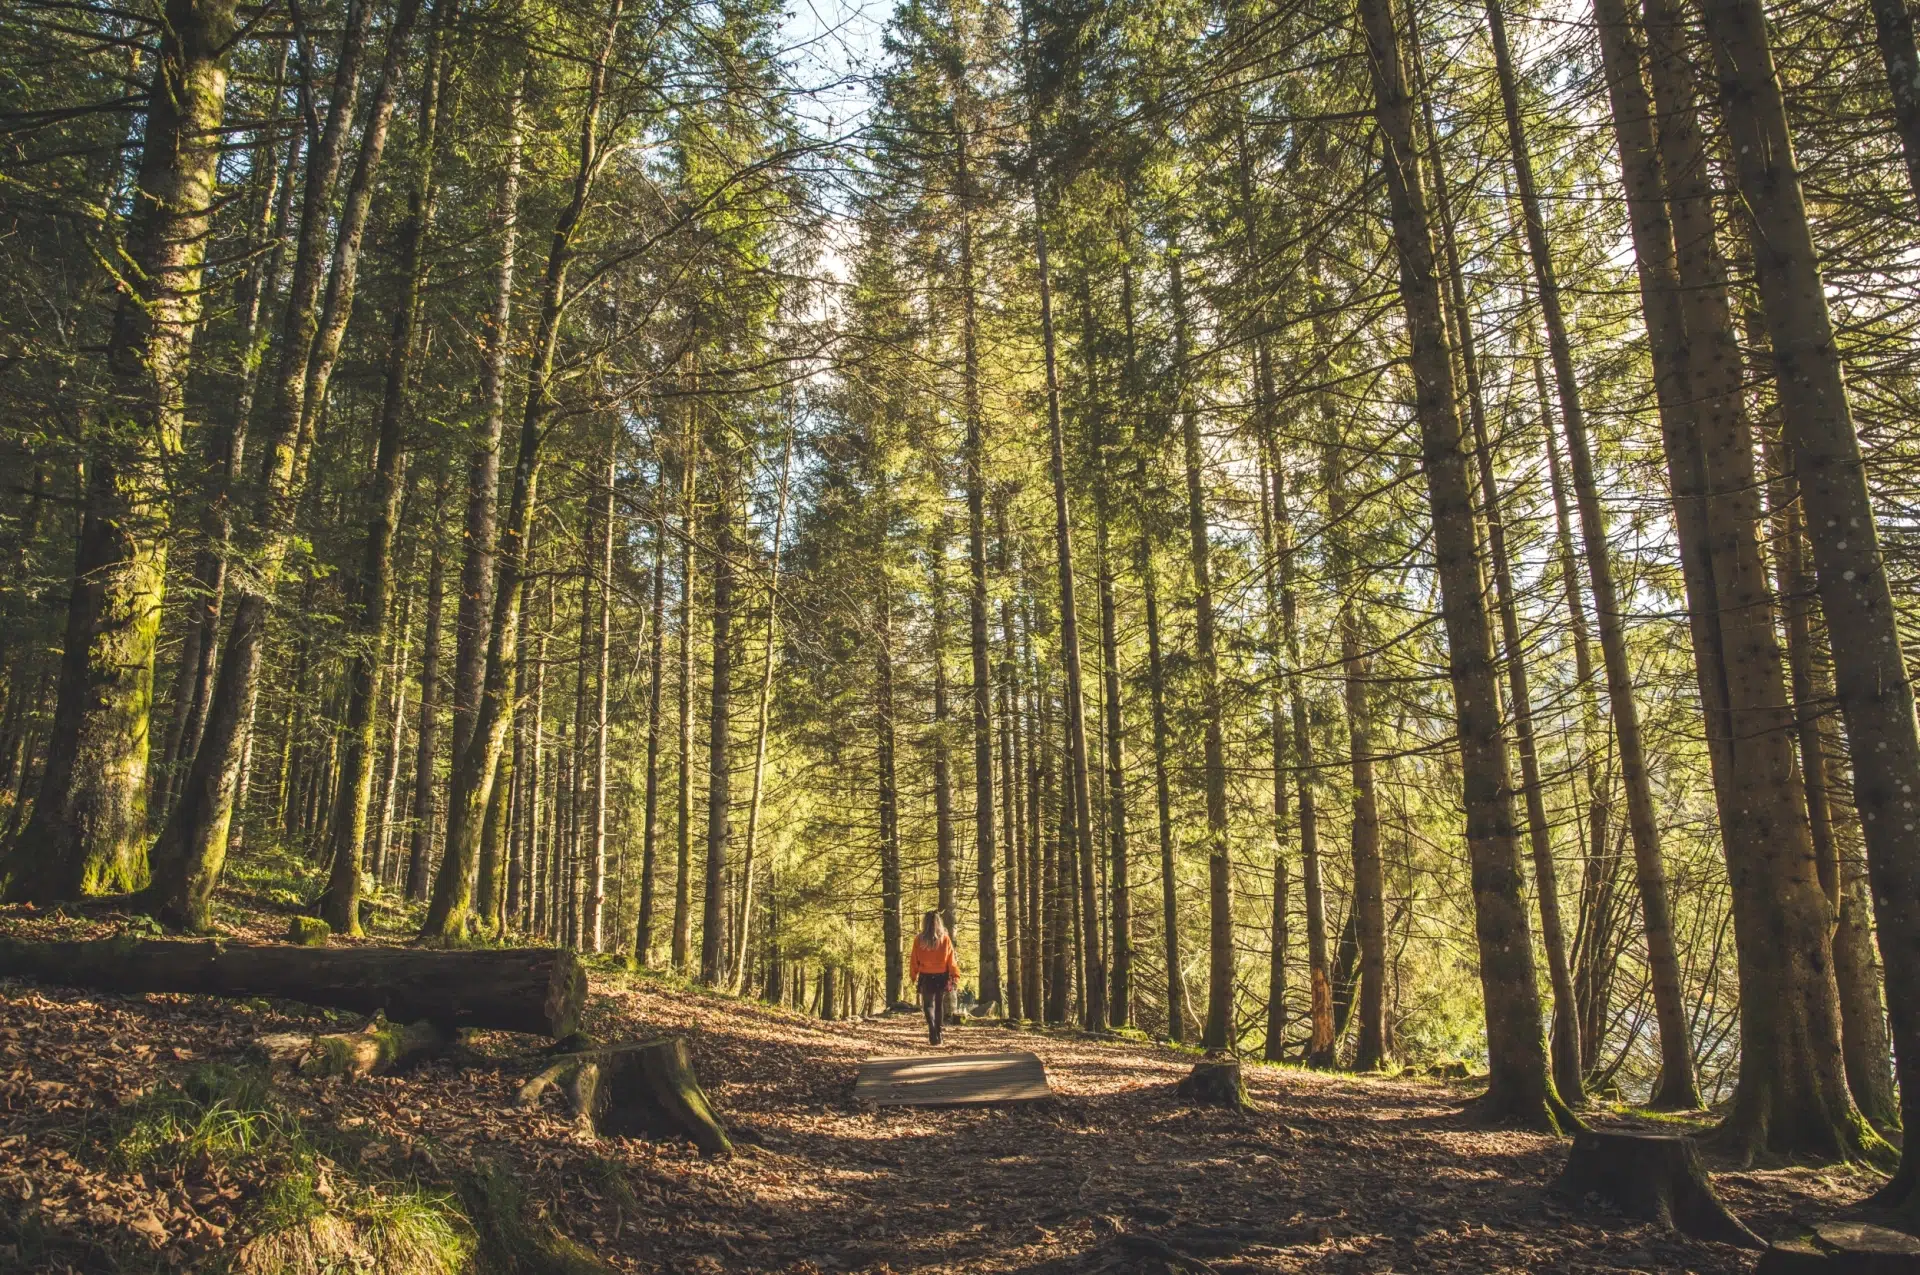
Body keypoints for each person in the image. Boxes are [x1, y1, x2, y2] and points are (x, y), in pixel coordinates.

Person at [908, 910, 960, 1045]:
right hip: (941, 975)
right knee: (938, 1005)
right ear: (939, 922)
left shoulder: (919, 939)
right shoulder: (945, 939)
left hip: (926, 975)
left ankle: (932, 1029)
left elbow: (914, 959)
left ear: (924, 923)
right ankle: (939, 1032)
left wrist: (913, 974)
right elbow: (951, 960)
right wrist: (955, 975)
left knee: (928, 1005)